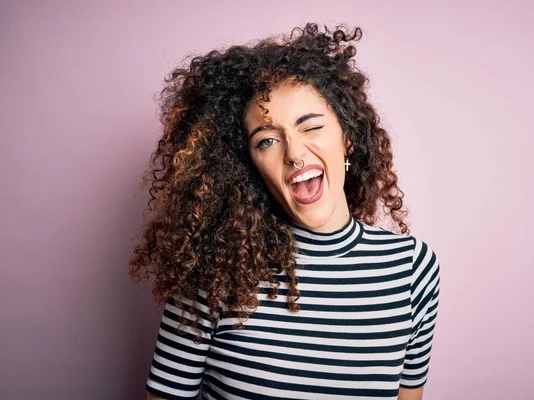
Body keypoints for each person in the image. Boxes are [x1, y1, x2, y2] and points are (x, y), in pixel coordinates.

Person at [129, 22, 441, 400]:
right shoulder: (212, 270)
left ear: (348, 140)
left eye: (310, 127)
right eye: (267, 140)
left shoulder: (412, 270)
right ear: (249, 165)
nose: (294, 153)